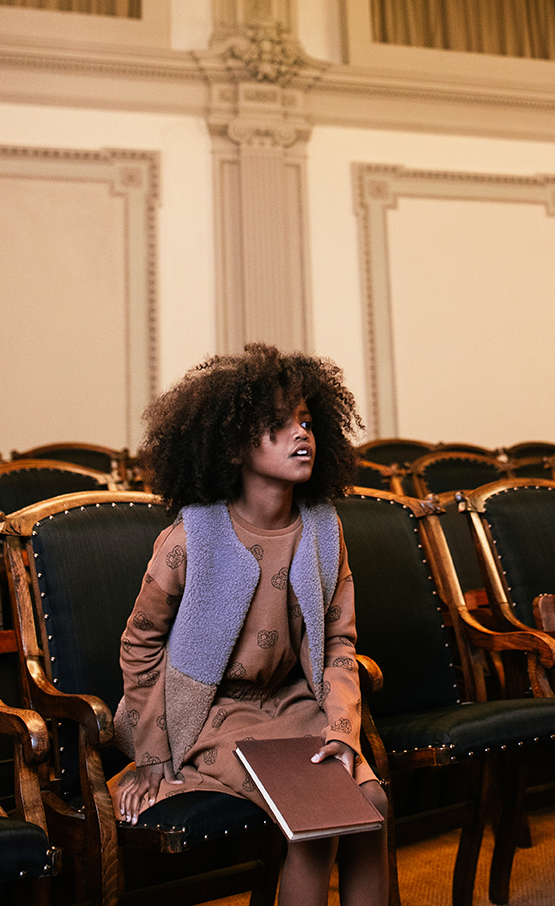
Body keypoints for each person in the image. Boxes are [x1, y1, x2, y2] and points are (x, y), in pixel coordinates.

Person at [110, 343, 389, 906]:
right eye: (278, 425)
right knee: (317, 817)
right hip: (211, 712)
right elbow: (140, 644)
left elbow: (339, 641)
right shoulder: (192, 536)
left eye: (306, 421)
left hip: (292, 702)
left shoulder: (324, 530)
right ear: (234, 447)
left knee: (374, 803)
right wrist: (151, 754)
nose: (301, 433)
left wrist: (342, 730)